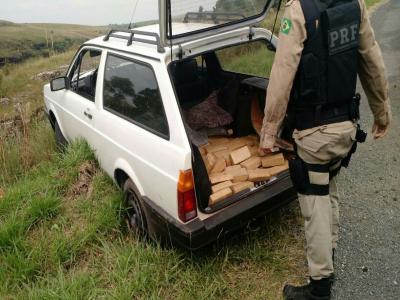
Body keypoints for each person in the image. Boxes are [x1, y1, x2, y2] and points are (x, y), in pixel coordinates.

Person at [259, 0, 391, 299]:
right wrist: (382, 114)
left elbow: (282, 75)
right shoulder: (355, 6)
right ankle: (329, 248)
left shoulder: (298, 11)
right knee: (329, 185)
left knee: (314, 202)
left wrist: (269, 132)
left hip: (315, 133)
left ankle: (319, 287)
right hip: (346, 128)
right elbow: (373, 62)